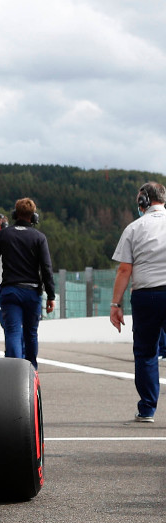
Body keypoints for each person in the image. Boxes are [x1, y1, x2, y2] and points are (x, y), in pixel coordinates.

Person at [109, 181, 166, 423]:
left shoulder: (134, 228)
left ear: (143, 201)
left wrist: (115, 305)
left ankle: (147, 409)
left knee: (145, 352)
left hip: (146, 295)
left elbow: (124, 270)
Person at [0, 198, 55, 367]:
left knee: (13, 332)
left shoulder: (4, 235)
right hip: (32, 292)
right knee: (31, 334)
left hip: (10, 291)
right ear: (34, 217)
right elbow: (46, 267)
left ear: (15, 214)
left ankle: (14, 371)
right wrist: (51, 295)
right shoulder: (39, 237)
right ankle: (31, 371)